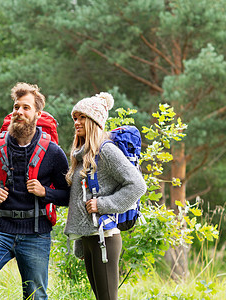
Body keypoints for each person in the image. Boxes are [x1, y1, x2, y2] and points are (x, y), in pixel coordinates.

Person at [0, 82, 70, 300]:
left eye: (26, 108)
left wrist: (45, 193)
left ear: (37, 114)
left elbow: (68, 196)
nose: (19, 112)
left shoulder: (53, 152)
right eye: (16, 107)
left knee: (36, 295)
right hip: (1, 231)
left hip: (37, 234)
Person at [64, 92, 147, 300]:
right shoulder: (82, 156)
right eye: (75, 118)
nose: (77, 122)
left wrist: (103, 204)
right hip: (91, 238)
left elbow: (137, 185)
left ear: (95, 121)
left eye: (82, 117)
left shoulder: (107, 151)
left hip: (105, 238)